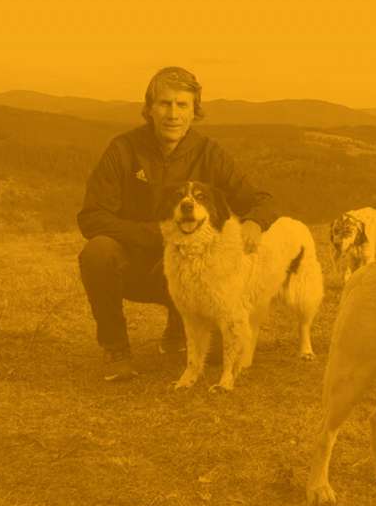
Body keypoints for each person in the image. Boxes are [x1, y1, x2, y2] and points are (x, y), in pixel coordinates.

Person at [77, 66, 279, 381]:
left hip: (195, 269)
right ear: (149, 108)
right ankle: (116, 349)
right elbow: (91, 217)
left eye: (182, 105)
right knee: (97, 253)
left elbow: (261, 200)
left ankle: (178, 328)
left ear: (194, 110)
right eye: (164, 103)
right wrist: (155, 235)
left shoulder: (209, 153)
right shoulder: (123, 150)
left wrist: (255, 222)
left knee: (219, 355)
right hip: (139, 265)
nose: (173, 114)